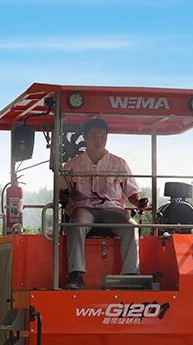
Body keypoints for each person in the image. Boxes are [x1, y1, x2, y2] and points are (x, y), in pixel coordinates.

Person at [58, 117, 148, 290]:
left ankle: (131, 274)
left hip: (112, 209)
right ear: (85, 137)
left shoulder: (119, 163)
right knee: (76, 222)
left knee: (131, 226)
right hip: (84, 209)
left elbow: (131, 193)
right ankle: (76, 274)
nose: (99, 140)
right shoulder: (72, 165)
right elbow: (63, 193)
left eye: (102, 136)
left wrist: (139, 202)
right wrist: (64, 196)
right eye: (94, 135)